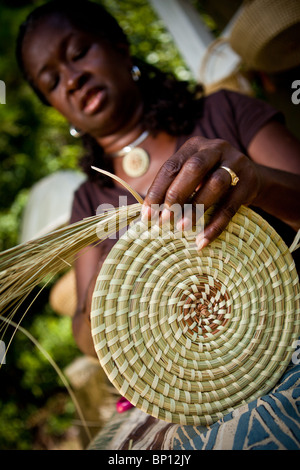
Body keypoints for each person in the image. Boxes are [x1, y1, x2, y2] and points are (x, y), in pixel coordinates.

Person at [16, 0, 300, 449]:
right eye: (52, 81)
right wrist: (127, 286)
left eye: (77, 53)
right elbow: (85, 332)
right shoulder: (88, 200)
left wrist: (256, 181)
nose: (72, 79)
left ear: (119, 45)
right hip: (187, 401)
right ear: (55, 106)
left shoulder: (224, 114)